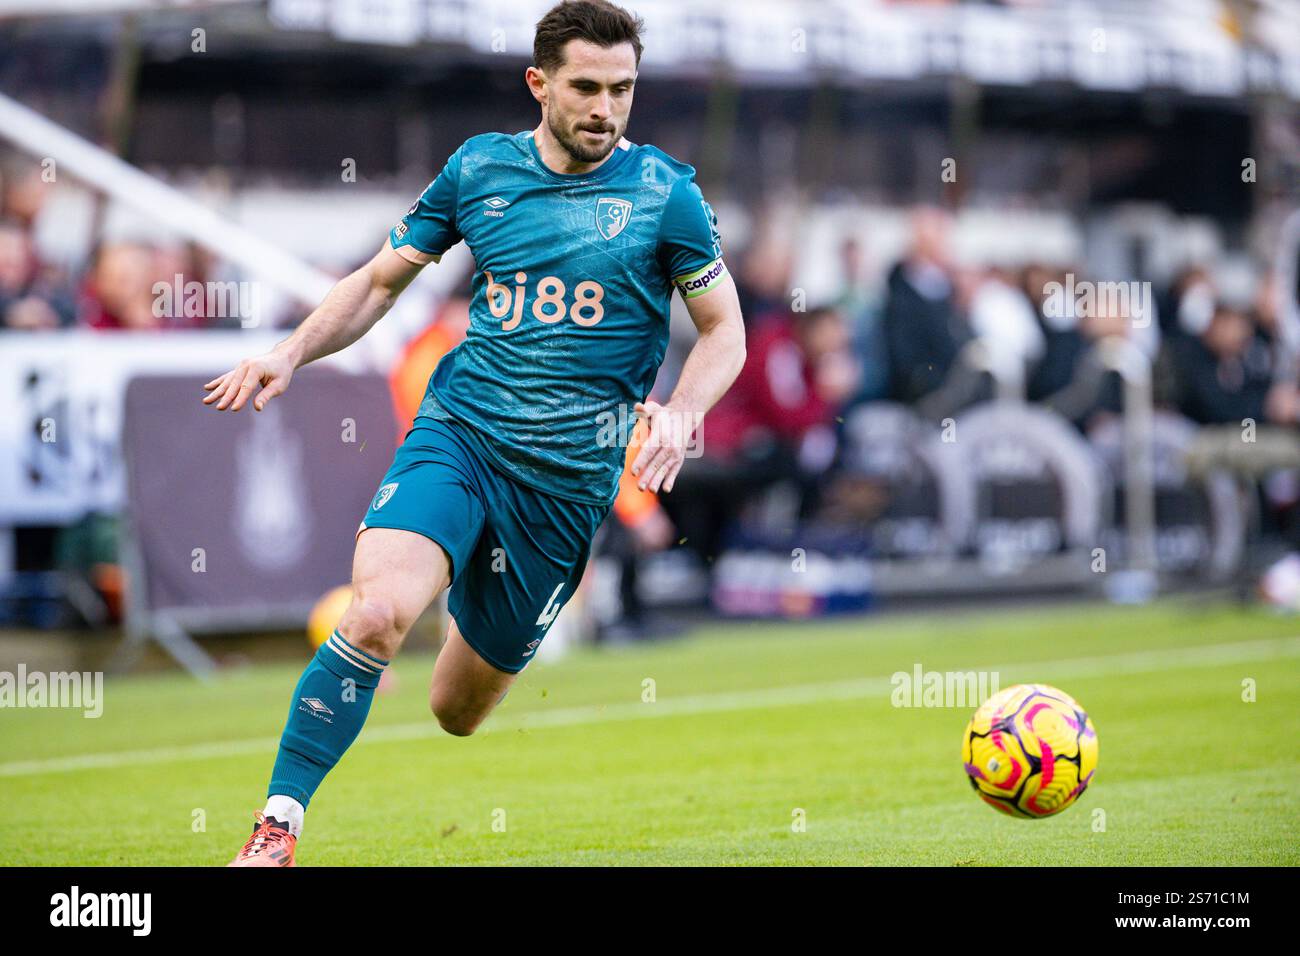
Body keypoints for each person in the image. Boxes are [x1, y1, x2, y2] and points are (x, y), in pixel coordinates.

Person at [203, 0, 746, 866]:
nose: (605, 109)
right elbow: (380, 284)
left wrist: (682, 411)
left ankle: (469, 595)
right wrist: (292, 351)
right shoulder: (479, 171)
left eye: (622, 89)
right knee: (375, 614)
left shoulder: (666, 194)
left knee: (456, 711)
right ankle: (277, 829)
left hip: (564, 488)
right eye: (586, 88)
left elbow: (725, 331)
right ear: (539, 84)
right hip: (461, 436)